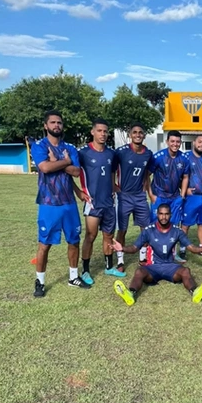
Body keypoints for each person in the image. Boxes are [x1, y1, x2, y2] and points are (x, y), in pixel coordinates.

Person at [31, 110, 92, 296]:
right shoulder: (39, 145)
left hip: (69, 204)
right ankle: (40, 282)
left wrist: (57, 161)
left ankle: (73, 277)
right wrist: (64, 161)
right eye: (53, 122)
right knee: (44, 244)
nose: (56, 125)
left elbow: (75, 172)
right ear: (45, 125)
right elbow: (45, 168)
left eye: (59, 122)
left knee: (74, 241)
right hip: (49, 204)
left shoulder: (70, 148)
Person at [109, 204, 202, 305]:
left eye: (166, 214)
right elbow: (134, 248)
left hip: (170, 267)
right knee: (139, 271)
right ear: (157, 214)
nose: (163, 217)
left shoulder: (177, 231)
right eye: (161, 214)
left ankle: (195, 292)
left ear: (170, 215)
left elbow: (191, 247)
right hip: (152, 267)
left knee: (185, 271)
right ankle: (130, 293)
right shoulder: (148, 230)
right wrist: (122, 248)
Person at [76, 118, 118, 286]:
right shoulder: (83, 153)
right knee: (90, 236)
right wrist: (79, 191)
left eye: (105, 131)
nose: (103, 134)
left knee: (108, 235)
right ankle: (85, 271)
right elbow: (71, 171)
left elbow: (112, 172)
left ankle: (109, 267)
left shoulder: (111, 153)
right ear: (92, 132)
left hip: (109, 202)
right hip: (93, 203)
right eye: (99, 130)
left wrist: (114, 187)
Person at [114, 123, 154, 269]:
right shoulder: (121, 152)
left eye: (140, 132)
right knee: (122, 229)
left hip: (140, 196)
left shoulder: (148, 153)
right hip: (124, 195)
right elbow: (111, 168)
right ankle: (120, 260)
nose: (138, 134)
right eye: (135, 132)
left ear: (144, 135)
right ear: (130, 135)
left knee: (145, 228)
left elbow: (147, 171)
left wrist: (146, 187)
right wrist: (114, 186)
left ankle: (143, 258)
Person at [180, 135, 202, 256]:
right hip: (191, 197)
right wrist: (184, 190)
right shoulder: (185, 157)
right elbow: (180, 175)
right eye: (200, 142)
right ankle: (182, 249)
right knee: (185, 224)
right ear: (194, 142)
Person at [147, 130, 188, 227]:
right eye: (172, 141)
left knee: (173, 226)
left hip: (175, 198)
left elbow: (186, 177)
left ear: (180, 143)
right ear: (167, 142)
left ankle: (173, 242)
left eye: (178, 142)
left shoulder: (184, 158)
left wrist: (182, 195)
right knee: (156, 225)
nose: (175, 144)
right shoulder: (158, 157)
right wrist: (151, 195)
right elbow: (146, 175)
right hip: (159, 196)